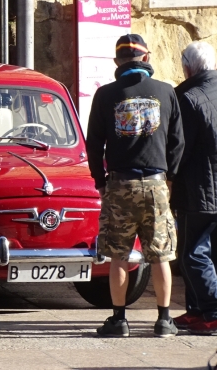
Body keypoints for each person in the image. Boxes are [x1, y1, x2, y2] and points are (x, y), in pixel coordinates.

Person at [86, 33, 184, 338]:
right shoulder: (166, 92)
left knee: (119, 255)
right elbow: (177, 143)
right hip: (155, 186)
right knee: (161, 255)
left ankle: (119, 320)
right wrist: (169, 179)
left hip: (119, 185)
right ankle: (164, 320)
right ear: (148, 57)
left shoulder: (105, 95)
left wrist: (100, 182)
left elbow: (93, 144)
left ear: (117, 62)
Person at [169, 41, 217, 335]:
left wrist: (168, 174)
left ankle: (211, 310)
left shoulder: (187, 97)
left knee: (192, 254)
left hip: (198, 190)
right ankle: (197, 309)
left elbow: (179, 148)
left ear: (187, 66)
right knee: (209, 253)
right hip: (209, 189)